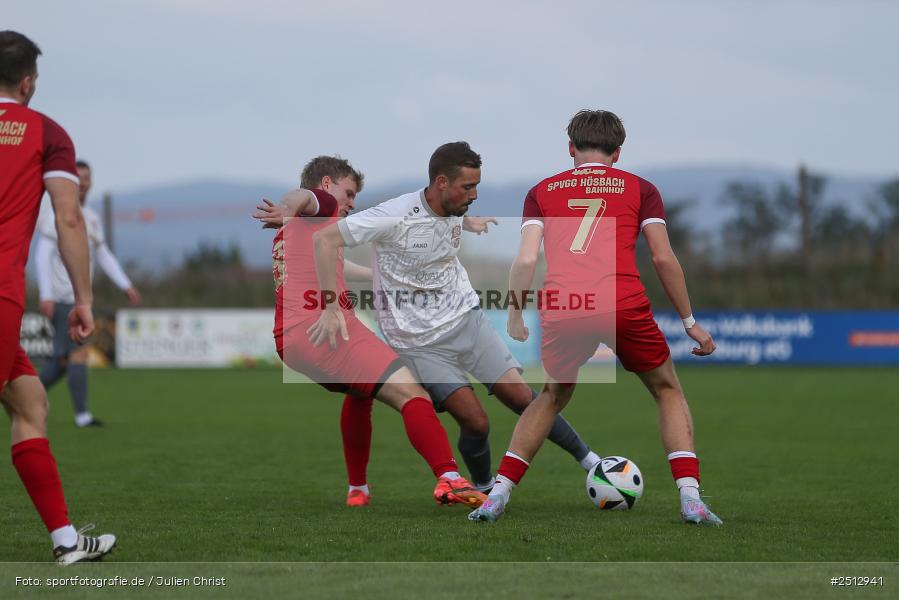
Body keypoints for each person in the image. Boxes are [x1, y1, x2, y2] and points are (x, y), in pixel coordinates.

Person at [308, 142, 602, 506]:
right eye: (468, 187)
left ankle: (592, 462)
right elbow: (324, 239)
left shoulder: (451, 206)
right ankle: (483, 486)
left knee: (522, 397)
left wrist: (467, 221)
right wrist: (331, 306)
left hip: (467, 319)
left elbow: (442, 219)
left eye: (476, 186)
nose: (474, 195)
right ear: (442, 182)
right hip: (419, 343)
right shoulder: (393, 214)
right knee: (476, 422)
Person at [469, 109, 723, 525]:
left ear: (571, 148)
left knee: (551, 396)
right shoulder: (642, 189)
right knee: (666, 389)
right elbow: (662, 257)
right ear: (617, 153)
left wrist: (515, 312)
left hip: (565, 306)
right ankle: (691, 499)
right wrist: (689, 321)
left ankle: (496, 496)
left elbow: (527, 259)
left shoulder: (541, 191)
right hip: (622, 301)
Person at [254, 155, 486, 509]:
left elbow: (336, 263)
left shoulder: (302, 229)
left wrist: (379, 275)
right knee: (412, 394)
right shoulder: (322, 204)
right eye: (348, 193)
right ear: (327, 184)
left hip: (292, 341)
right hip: (326, 330)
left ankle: (357, 489)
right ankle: (449, 477)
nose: (351, 203)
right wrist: (288, 207)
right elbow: (301, 196)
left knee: (360, 395)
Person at [0, 30, 116, 563]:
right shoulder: (46, 132)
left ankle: (66, 541)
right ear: (28, 83)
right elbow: (69, 218)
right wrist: (84, 298)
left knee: (32, 403)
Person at [35, 159, 142, 427]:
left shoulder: (91, 218)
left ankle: (19, 397)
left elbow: (103, 254)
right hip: (63, 297)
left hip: (80, 299)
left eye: (86, 177)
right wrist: (46, 294)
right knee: (78, 354)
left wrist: (125, 284)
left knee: (62, 361)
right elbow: (42, 256)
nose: (83, 183)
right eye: (78, 177)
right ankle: (82, 416)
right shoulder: (54, 214)